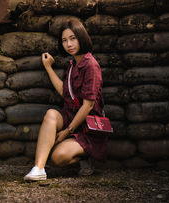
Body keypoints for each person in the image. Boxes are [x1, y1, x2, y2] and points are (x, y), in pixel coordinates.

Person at [24, 18, 107, 181]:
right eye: (64, 40)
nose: (69, 44)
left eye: (73, 38)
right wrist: (48, 67)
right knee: (51, 114)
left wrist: (66, 132)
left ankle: (85, 156)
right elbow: (65, 91)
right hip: (70, 114)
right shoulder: (72, 64)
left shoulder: (91, 65)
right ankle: (38, 169)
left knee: (58, 157)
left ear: (81, 37)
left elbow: (88, 105)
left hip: (88, 126)